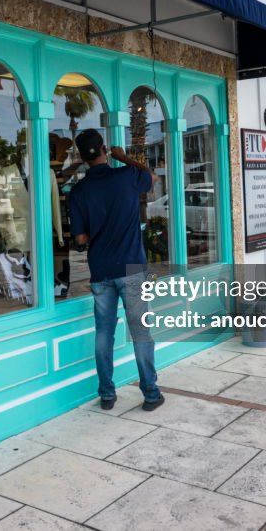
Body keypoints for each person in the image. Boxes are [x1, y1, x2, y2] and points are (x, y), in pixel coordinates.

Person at [68, 128, 164, 411]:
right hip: (131, 265)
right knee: (141, 331)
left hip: (100, 268)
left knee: (103, 333)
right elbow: (152, 178)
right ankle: (150, 393)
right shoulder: (126, 176)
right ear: (104, 150)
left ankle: (107, 395)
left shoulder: (78, 191)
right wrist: (125, 158)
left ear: (82, 156)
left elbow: (81, 239)